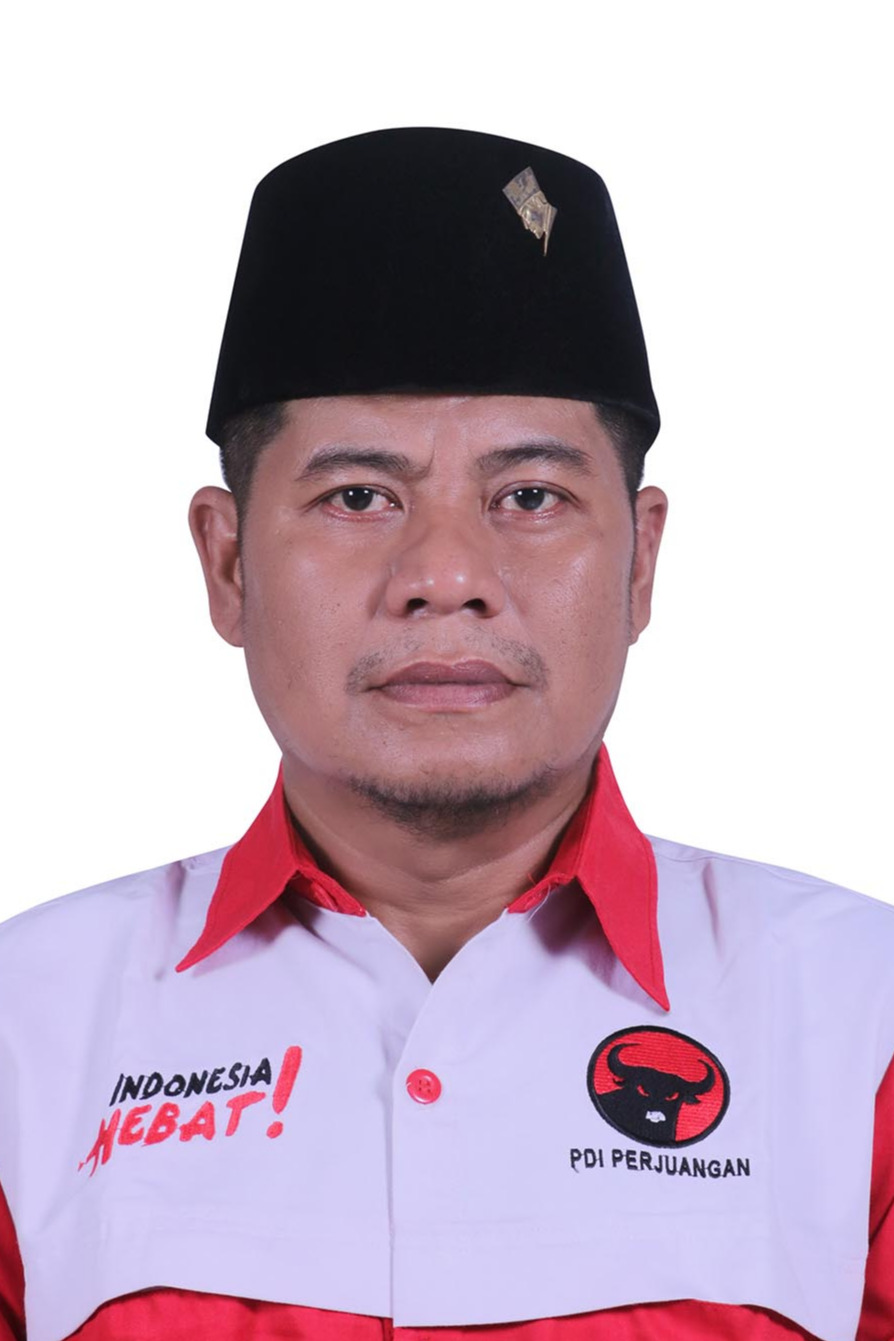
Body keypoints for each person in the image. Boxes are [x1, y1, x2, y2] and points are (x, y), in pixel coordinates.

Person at [0, 127, 891, 1341]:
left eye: (531, 496)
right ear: (228, 564)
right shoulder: (29, 1028)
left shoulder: (862, 1021)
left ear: (640, 565)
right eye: (358, 496)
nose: (447, 576)